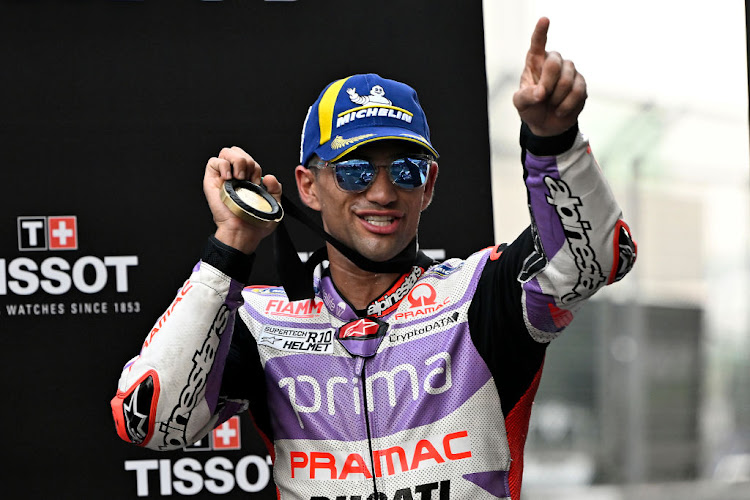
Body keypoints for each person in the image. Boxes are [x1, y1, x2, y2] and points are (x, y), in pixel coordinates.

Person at [111, 17, 636, 500]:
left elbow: (594, 259)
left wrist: (554, 141)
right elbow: (150, 420)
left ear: (428, 186)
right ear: (308, 186)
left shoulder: (480, 294)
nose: (382, 192)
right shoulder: (262, 323)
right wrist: (229, 248)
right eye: (355, 170)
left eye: (405, 170)